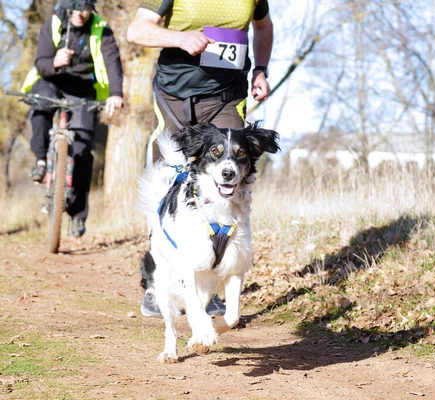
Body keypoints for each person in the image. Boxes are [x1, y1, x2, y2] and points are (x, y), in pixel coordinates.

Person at [126, 0, 273, 316]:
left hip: (226, 99)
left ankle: (213, 282)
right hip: (175, 98)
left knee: (229, 187)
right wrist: (179, 38)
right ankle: (158, 282)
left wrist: (261, 69)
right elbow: (136, 29)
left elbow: (262, 27)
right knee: (168, 186)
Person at [22, 0, 124, 237]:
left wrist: (116, 94)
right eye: (76, 8)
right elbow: (41, 62)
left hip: (83, 90)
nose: (80, 14)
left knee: (83, 151)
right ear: (68, 7)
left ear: (92, 10)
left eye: (86, 9)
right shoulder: (54, 23)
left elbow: (112, 62)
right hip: (52, 80)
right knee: (40, 107)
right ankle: (40, 160)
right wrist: (55, 62)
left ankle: (78, 215)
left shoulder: (101, 28)